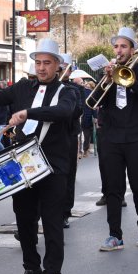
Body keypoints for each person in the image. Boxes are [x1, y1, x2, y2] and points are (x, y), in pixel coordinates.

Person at [0, 38, 77, 274]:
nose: (42, 67)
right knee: (24, 222)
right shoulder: (24, 86)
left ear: (57, 65)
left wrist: (28, 113)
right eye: (38, 62)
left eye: (47, 63)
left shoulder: (67, 92)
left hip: (53, 167)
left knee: (52, 224)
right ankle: (31, 267)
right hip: (22, 165)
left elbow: (63, 112)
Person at [89, 27, 138, 251]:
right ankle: (115, 235)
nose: (118, 50)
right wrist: (107, 78)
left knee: (137, 185)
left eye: (123, 46)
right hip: (111, 137)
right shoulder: (106, 72)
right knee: (113, 189)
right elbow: (93, 102)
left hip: (136, 136)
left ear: (132, 49)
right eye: (116, 46)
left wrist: (128, 80)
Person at [59, 54, 84, 229]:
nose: (63, 69)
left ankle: (65, 212)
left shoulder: (74, 89)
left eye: (66, 66)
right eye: (61, 65)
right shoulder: (48, 86)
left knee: (68, 174)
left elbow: (78, 111)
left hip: (68, 134)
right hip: (49, 135)